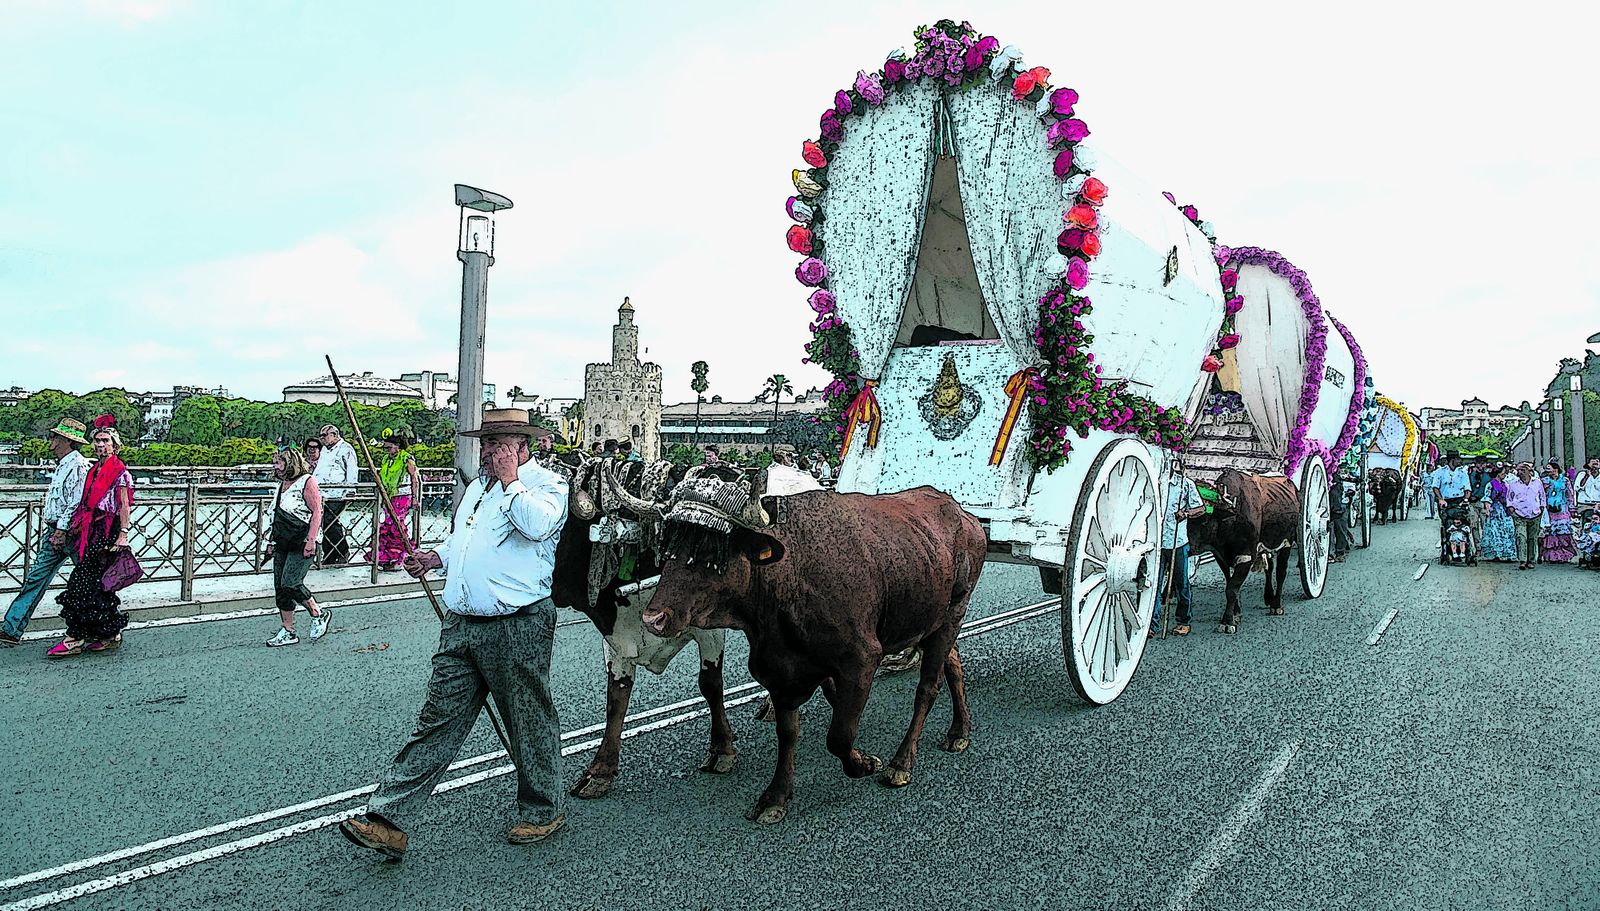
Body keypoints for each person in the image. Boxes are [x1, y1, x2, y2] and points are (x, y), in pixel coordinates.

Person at [339, 408, 569, 860]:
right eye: (485, 444)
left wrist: (510, 481)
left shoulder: (547, 486)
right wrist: (435, 558)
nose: (488, 452)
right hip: (461, 624)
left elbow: (538, 526)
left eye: (499, 445)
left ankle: (544, 809)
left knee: (527, 719)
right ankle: (389, 819)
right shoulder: (476, 491)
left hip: (517, 624)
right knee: (437, 720)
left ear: (524, 447)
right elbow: (464, 542)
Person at [47, 419, 134, 658]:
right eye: (97, 441)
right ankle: (109, 633)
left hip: (107, 530)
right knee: (97, 585)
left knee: (81, 582)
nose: (100, 445)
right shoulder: (93, 470)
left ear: (115, 446)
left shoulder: (119, 472)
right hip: (90, 529)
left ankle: (74, 637)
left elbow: (124, 504)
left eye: (105, 441)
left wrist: (123, 535)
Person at [1, 418, 90, 646]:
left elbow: (75, 501)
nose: (51, 439)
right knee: (37, 578)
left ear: (66, 441)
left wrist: (61, 530)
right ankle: (12, 627)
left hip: (68, 531)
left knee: (88, 579)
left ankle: (99, 625)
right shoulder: (63, 463)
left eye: (55, 436)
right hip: (57, 529)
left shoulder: (77, 465)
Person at [264, 448, 332, 646]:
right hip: (283, 539)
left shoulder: (307, 481)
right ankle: (288, 630)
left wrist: (311, 540)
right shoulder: (281, 485)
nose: (275, 467)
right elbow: (274, 514)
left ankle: (317, 613)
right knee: (280, 587)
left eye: (278, 463)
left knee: (291, 582)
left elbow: (317, 512)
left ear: (289, 463)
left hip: (302, 539)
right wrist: (270, 541)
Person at [1151, 455, 1206, 637]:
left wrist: (1185, 513)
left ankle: (1184, 620)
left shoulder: (1185, 484)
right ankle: (1152, 623)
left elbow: (1201, 508)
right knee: (1154, 584)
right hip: (1157, 543)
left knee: (1181, 583)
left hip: (1178, 542)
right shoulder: (1155, 483)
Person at [369, 432, 422, 571]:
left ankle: (401, 557)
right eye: (385, 448)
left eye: (389, 448)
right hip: (390, 495)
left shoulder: (407, 459)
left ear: (397, 447)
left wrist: (415, 498)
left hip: (403, 495)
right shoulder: (387, 460)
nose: (387, 451)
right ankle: (387, 557)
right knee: (388, 526)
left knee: (396, 525)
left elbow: (414, 479)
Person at [313, 424, 359, 565]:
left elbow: (351, 470)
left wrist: (350, 491)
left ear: (334, 434)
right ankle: (330, 554)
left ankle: (342, 550)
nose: (322, 439)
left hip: (337, 493)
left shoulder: (346, 449)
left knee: (331, 522)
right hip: (322, 492)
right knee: (322, 523)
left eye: (324, 436)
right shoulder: (325, 451)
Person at [1503, 462, 1547, 570]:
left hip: (1535, 513)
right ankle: (1522, 560)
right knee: (1521, 536)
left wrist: (1542, 507)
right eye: (1519, 470)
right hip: (1519, 514)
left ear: (1529, 471)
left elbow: (1542, 495)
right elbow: (1509, 497)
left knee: (1532, 538)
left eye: (1523, 470)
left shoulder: (1537, 482)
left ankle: (1531, 560)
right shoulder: (1513, 484)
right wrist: (1511, 507)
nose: (1520, 473)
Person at [1540, 459, 1576, 564]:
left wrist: (1572, 508)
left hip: (1562, 508)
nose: (1547, 470)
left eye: (1549, 468)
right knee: (1550, 531)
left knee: (1563, 531)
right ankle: (1552, 556)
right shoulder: (1545, 481)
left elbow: (1570, 494)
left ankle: (1564, 555)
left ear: (1555, 469)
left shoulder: (1565, 480)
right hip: (1549, 509)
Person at [1480, 464, 1518, 562]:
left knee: (1507, 529)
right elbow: (1487, 496)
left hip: (1504, 509)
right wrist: (1488, 507)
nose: (1504, 475)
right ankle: (1495, 553)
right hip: (1495, 509)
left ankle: (1507, 553)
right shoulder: (1491, 484)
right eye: (1503, 473)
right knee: (1494, 530)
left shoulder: (1505, 484)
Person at [1329, 468, 1351, 563]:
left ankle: (1340, 552)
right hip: (1327, 505)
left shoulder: (1340, 479)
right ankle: (1329, 553)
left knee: (1340, 527)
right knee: (1327, 529)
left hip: (1340, 504)